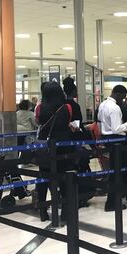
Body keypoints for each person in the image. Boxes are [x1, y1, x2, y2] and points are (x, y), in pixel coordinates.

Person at [36, 82, 76, 221]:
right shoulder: (67, 107)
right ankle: (65, 211)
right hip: (63, 145)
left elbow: (38, 122)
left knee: (43, 178)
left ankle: (42, 210)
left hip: (45, 146)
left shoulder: (40, 107)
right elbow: (68, 122)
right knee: (65, 179)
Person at [97, 85, 127, 211]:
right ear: (118, 94)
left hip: (107, 139)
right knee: (117, 173)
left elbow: (99, 122)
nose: (123, 100)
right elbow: (116, 128)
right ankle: (112, 202)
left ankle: (114, 199)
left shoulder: (102, 105)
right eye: (123, 98)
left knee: (113, 172)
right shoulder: (115, 107)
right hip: (116, 141)